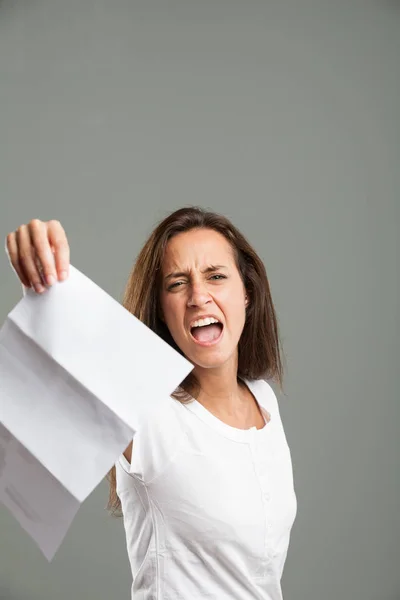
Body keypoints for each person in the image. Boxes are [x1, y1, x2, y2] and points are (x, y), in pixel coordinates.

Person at [5, 207, 297, 599]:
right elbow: (64, 359)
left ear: (247, 292)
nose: (198, 296)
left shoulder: (264, 400)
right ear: (161, 307)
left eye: (216, 276)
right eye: (177, 283)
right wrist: (43, 277)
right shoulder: (144, 410)